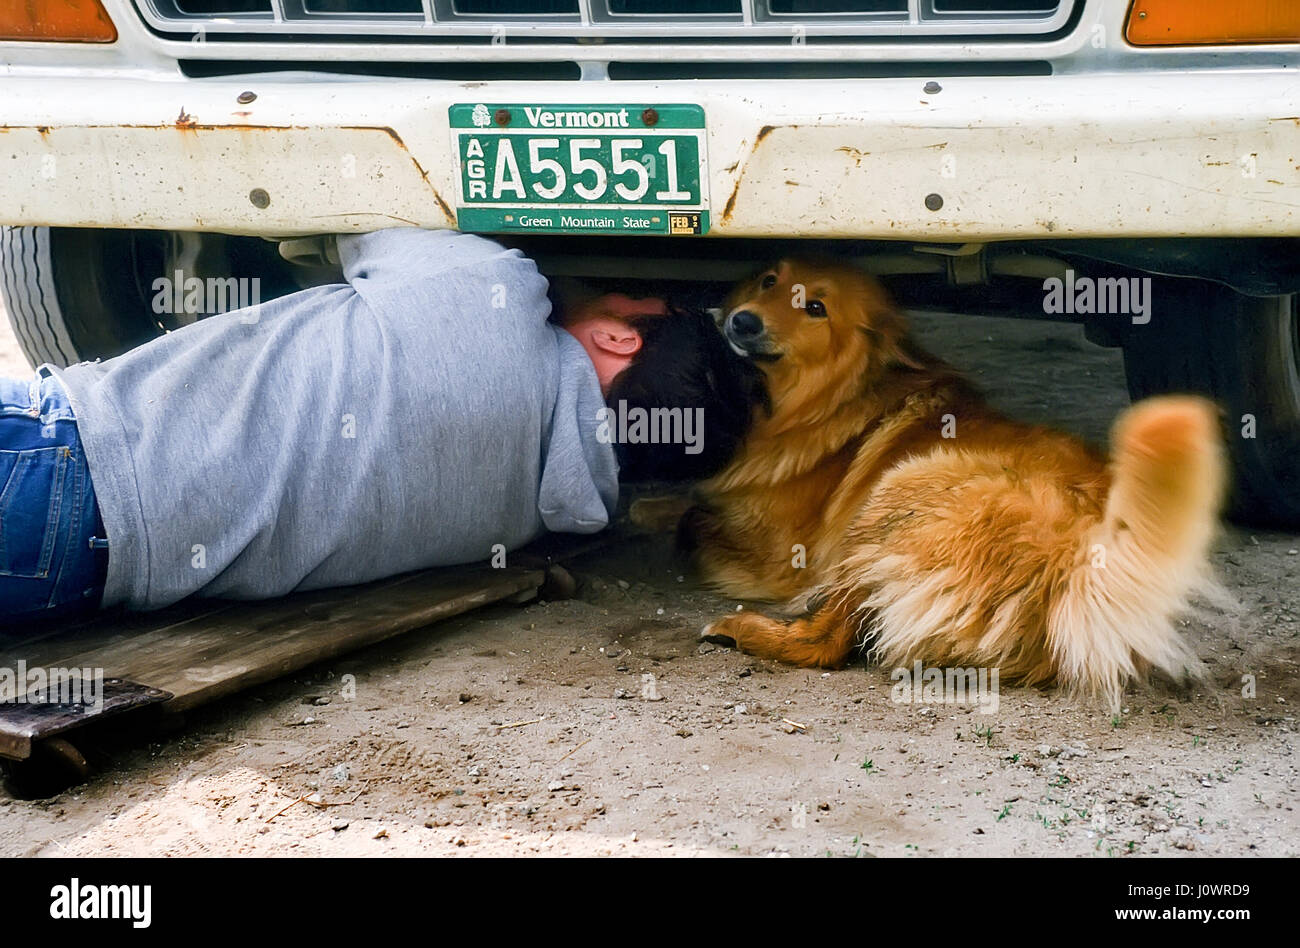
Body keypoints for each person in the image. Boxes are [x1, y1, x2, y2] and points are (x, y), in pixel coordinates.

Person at [0, 228, 759, 628]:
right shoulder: (525, 515)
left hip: (57, 455)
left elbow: (358, 195)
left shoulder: (491, 295)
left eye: (631, 299)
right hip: (71, 584)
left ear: (622, 340)